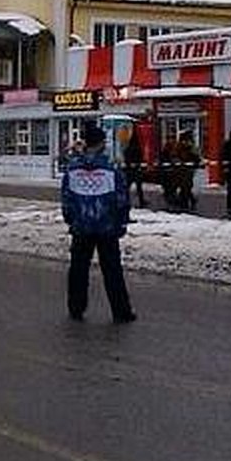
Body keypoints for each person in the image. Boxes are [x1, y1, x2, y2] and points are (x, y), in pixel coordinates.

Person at [62, 122, 136, 324]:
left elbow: (67, 199)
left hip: (81, 227)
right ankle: (121, 311)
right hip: (106, 227)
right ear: (101, 143)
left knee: (78, 268)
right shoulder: (111, 170)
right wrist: (121, 223)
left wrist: (71, 219)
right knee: (112, 270)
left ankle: (76, 308)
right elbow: (121, 199)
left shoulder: (73, 168)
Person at [174, 130, 201, 212]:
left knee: (187, 186)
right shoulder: (179, 146)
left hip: (188, 169)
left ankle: (186, 201)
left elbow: (196, 157)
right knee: (184, 186)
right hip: (181, 169)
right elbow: (176, 155)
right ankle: (186, 201)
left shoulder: (191, 147)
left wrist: (195, 162)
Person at [122, 125, 147, 208]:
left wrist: (128, 164)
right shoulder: (138, 148)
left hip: (129, 170)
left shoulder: (127, 148)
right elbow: (141, 158)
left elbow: (125, 156)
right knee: (138, 186)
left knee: (127, 186)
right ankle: (141, 201)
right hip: (136, 169)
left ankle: (126, 200)